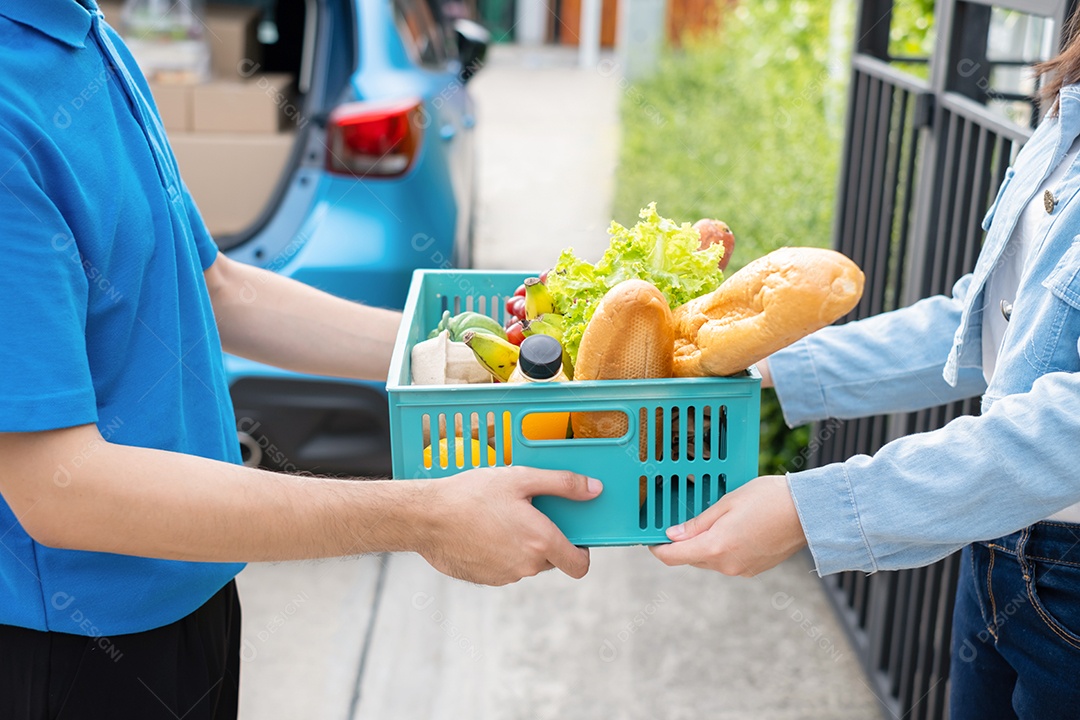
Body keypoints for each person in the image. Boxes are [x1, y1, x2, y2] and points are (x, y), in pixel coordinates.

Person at [0, 2, 601, 718]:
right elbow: (59, 490)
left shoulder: (84, 34)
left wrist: (475, 354)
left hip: (197, 593)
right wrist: (420, 516)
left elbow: (216, 287)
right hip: (70, 648)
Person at [652, 26, 1080, 720]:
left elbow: (1069, 430)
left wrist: (815, 510)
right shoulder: (1068, 115)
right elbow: (976, 325)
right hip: (997, 542)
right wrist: (756, 360)